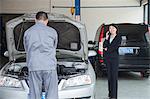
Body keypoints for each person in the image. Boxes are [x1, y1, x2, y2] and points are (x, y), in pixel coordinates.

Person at [24, 11, 58, 99]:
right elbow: (54, 47)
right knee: (52, 93)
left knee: (34, 94)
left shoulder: (28, 32)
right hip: (49, 66)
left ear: (35, 20)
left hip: (34, 65)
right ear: (47, 20)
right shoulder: (52, 32)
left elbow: (27, 49)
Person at [103, 24, 122, 99]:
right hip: (108, 59)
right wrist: (107, 38)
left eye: (113, 28)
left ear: (116, 29)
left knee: (114, 77)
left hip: (114, 59)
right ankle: (110, 94)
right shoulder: (109, 37)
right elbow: (104, 45)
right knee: (109, 77)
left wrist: (107, 49)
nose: (111, 29)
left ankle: (114, 96)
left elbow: (115, 47)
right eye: (110, 28)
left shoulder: (118, 37)